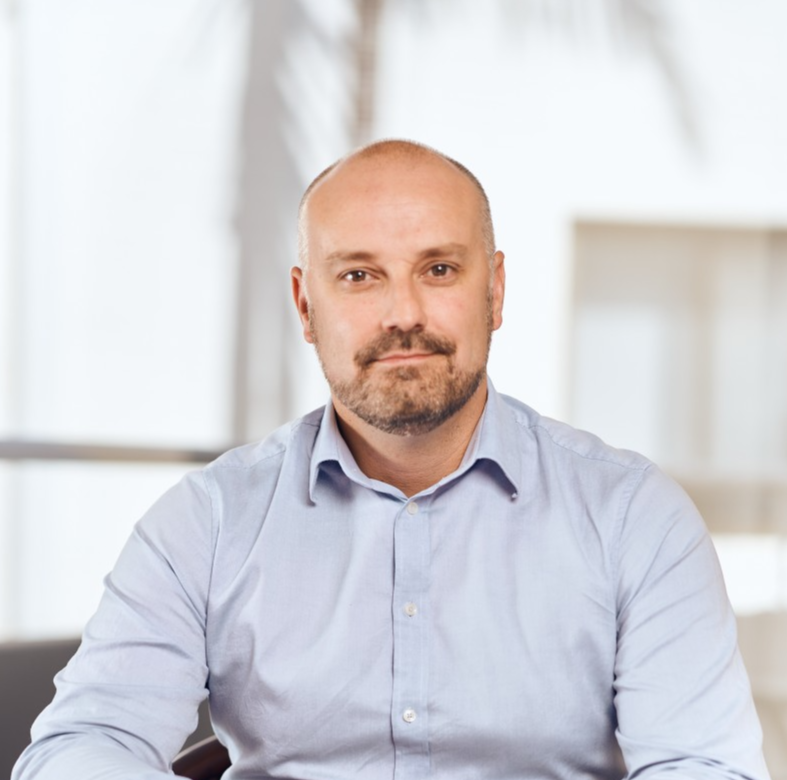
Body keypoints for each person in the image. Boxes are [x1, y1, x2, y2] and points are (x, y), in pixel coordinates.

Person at [13, 140, 769, 780]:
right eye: (358, 275)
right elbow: (80, 746)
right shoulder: (207, 522)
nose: (403, 313)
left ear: (495, 292)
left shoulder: (633, 517)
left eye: (438, 269)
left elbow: (704, 766)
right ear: (305, 306)